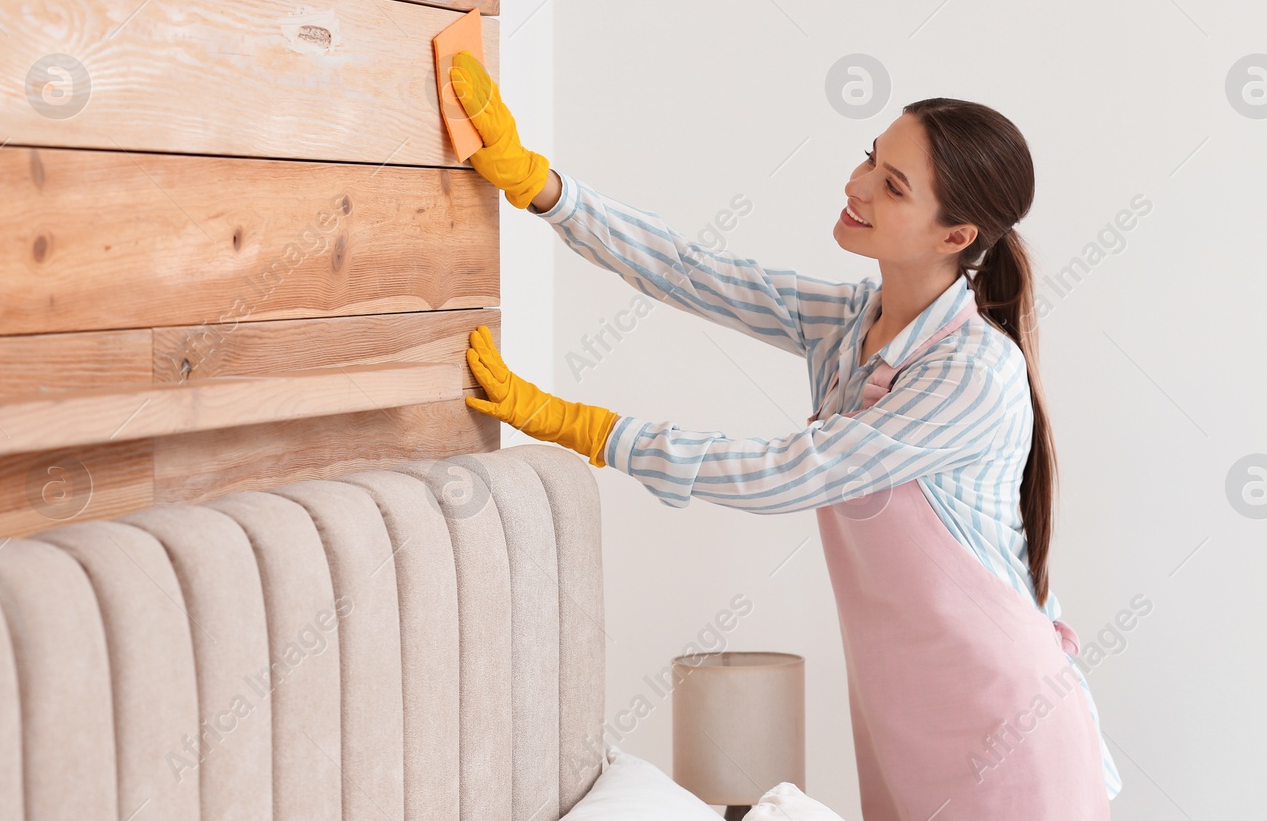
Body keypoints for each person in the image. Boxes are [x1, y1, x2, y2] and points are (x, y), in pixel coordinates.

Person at [448, 50, 1120, 819]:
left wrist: (594, 430)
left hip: (1008, 724)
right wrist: (543, 188)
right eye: (872, 157)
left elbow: (790, 471)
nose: (856, 185)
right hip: (899, 708)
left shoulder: (972, 373)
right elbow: (693, 271)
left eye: (893, 186)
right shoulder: (849, 323)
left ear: (955, 233)